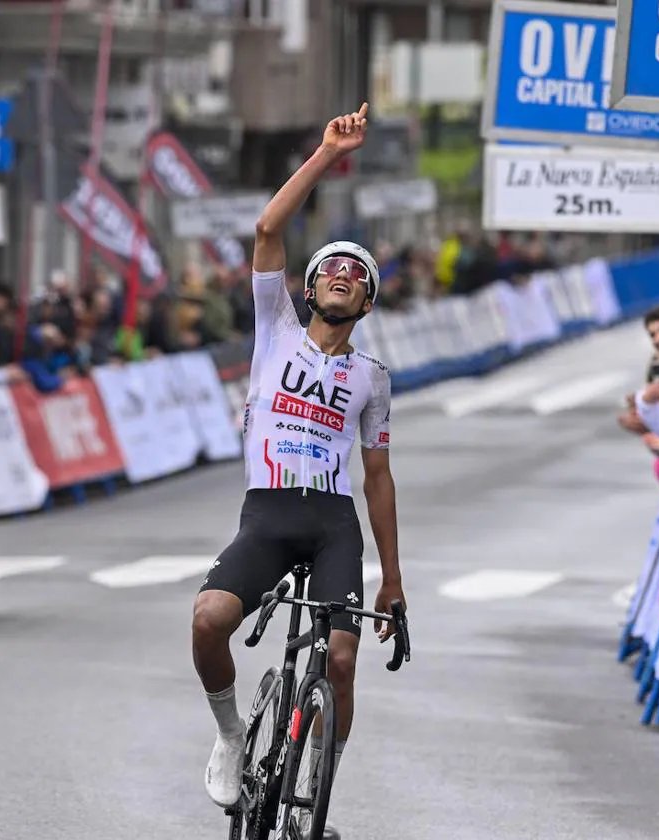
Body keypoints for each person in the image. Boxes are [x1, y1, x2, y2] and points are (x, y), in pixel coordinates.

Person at [190, 102, 404, 837]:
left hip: (333, 525)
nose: (344, 275)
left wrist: (395, 583)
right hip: (270, 514)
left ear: (367, 300)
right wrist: (325, 155)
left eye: (358, 273)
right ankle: (227, 736)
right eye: (331, 269)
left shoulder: (373, 377)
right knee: (208, 620)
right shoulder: (274, 331)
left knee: (340, 664)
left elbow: (378, 480)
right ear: (309, 289)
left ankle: (321, 798)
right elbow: (267, 230)